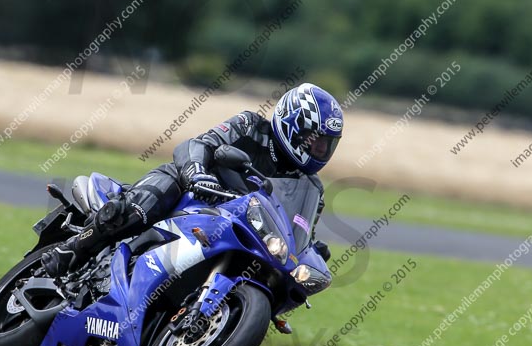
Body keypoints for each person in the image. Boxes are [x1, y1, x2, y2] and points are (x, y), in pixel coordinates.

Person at [41, 82, 344, 277]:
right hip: (190, 190)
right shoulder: (250, 126)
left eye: (326, 145)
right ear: (294, 125)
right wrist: (196, 171)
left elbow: (298, 230)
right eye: (316, 141)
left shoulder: (311, 187)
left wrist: (311, 250)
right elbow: (197, 144)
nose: (320, 150)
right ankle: (74, 249)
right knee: (140, 208)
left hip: (230, 229)